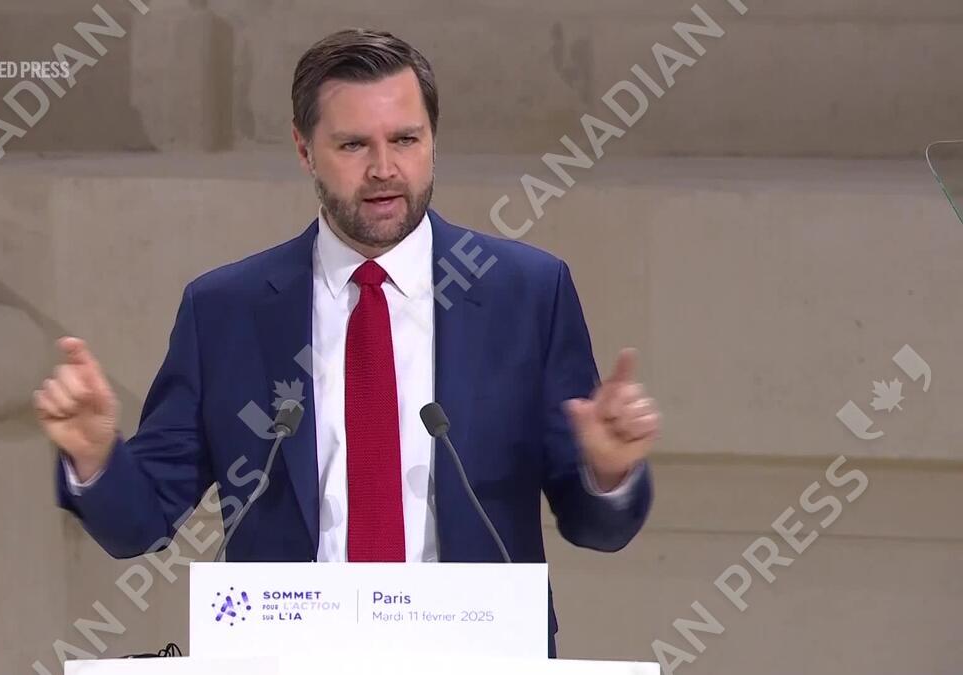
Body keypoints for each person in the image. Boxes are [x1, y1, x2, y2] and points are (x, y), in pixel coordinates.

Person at [34, 28, 660, 655]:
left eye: (405, 140)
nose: (384, 169)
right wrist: (96, 457)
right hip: (285, 657)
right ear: (304, 150)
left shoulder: (526, 295)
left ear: (434, 142)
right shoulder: (226, 311)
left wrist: (608, 471)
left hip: (478, 655)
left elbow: (595, 527)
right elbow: (141, 524)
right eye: (354, 144)